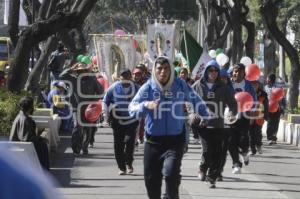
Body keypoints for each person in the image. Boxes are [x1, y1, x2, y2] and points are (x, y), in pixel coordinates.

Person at [129, 56, 210, 199]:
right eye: (159, 68)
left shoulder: (180, 84)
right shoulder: (148, 87)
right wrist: (146, 106)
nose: (163, 72)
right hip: (153, 142)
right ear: (154, 70)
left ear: (171, 70)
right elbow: (132, 109)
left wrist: (205, 116)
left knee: (171, 174)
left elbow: (195, 99)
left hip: (174, 141)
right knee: (151, 180)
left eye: (166, 68)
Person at [192, 60, 237, 188]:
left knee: (217, 153)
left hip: (218, 124)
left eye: (216, 70)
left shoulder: (224, 87)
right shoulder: (198, 85)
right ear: (206, 71)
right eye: (211, 70)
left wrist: (233, 113)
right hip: (203, 124)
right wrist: (192, 114)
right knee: (207, 150)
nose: (213, 73)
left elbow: (233, 103)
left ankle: (211, 178)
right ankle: (202, 168)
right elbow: (189, 102)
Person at [59, 62, 103, 155]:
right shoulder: (73, 80)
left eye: (82, 70)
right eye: (78, 71)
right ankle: (76, 149)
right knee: (77, 127)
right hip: (76, 108)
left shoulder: (92, 79)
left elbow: (100, 91)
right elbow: (61, 76)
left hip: (89, 109)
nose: (80, 72)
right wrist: (71, 69)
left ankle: (85, 146)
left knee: (88, 129)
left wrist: (93, 102)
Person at [102, 68, 140, 175]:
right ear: (120, 78)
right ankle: (121, 167)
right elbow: (105, 100)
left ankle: (129, 164)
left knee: (129, 143)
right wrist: (105, 114)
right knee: (118, 145)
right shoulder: (114, 87)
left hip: (132, 120)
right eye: (123, 77)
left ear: (130, 77)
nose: (125, 79)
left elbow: (144, 100)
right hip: (117, 120)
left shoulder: (137, 88)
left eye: (127, 76)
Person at [229, 63, 257, 174]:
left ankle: (245, 152)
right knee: (231, 141)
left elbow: (253, 99)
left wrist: (253, 112)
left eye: (239, 72)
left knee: (243, 139)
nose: (236, 73)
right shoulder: (229, 84)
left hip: (244, 116)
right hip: (230, 116)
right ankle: (236, 164)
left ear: (243, 73)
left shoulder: (248, 85)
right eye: (235, 71)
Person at [9, 96, 49, 170]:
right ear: (30, 107)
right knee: (42, 145)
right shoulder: (27, 120)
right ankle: (44, 173)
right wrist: (40, 138)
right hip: (22, 148)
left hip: (16, 146)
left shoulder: (19, 116)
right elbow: (27, 139)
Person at [264, 73, 286, 145]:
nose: (266, 80)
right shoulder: (265, 87)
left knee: (276, 123)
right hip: (268, 107)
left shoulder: (278, 87)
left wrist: (283, 108)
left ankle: (274, 137)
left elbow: (282, 98)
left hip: (277, 107)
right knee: (270, 122)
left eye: (268, 78)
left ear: (271, 79)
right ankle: (269, 138)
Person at [249, 80, 269, 155]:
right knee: (250, 133)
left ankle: (259, 145)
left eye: (255, 84)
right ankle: (252, 149)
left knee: (257, 133)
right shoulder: (248, 92)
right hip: (249, 116)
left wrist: (266, 115)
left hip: (259, 116)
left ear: (258, 85)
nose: (254, 86)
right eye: (252, 84)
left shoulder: (263, 94)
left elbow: (266, 106)